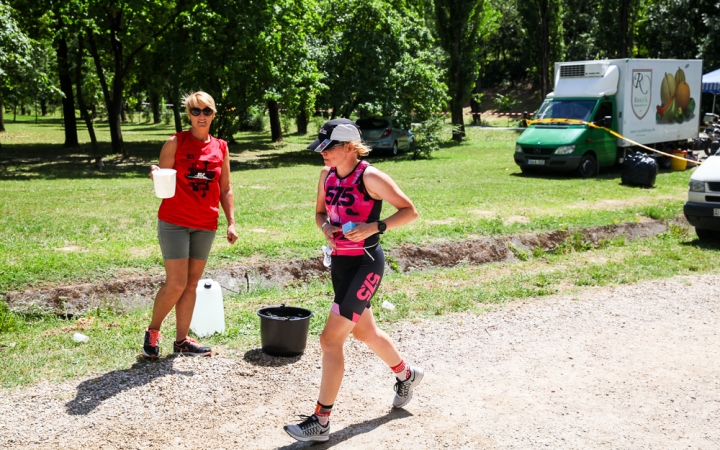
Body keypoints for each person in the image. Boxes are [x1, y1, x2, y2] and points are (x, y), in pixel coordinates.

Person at [284, 119, 422, 442]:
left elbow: (410, 211)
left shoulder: (370, 177)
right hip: (341, 266)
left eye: (328, 148)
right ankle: (407, 375)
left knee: (330, 340)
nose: (322, 154)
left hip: (366, 264)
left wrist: (375, 227)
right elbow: (320, 214)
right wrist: (325, 228)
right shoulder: (326, 176)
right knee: (367, 332)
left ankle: (321, 420)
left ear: (349, 147)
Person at [142, 91, 238, 359]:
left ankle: (182, 340)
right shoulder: (176, 142)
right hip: (174, 220)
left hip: (206, 223)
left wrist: (231, 222)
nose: (201, 116)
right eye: (195, 111)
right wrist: (155, 176)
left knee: (191, 284)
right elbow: (163, 180)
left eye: (206, 110)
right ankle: (153, 331)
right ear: (188, 114)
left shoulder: (221, 147)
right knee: (176, 283)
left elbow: (225, 187)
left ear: (214, 113)